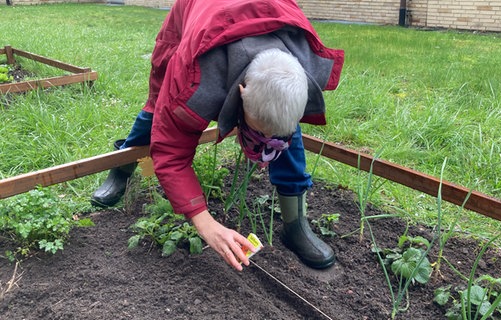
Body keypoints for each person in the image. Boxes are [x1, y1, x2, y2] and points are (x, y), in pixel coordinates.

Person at [91, 0, 344, 271]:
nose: (264, 143)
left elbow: (278, 119)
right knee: (158, 112)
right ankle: (122, 168)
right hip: (198, 20)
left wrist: (274, 130)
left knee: (279, 127)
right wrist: (206, 224)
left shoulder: (303, 62)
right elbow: (171, 151)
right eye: (257, 131)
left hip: (263, 13)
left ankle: (295, 224)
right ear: (242, 91)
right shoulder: (193, 80)